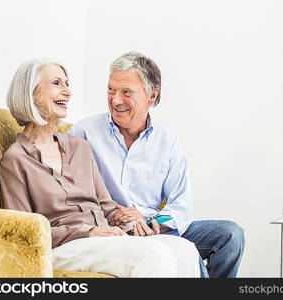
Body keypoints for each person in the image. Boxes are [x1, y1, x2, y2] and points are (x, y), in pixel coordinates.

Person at [0, 58, 200, 278]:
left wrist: (133, 221)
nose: (67, 92)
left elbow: (106, 205)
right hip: (63, 245)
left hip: (104, 237)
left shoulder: (79, 146)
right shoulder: (16, 160)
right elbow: (22, 231)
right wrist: (88, 231)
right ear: (31, 94)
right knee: (151, 255)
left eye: (67, 84)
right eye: (57, 83)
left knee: (185, 250)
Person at [69, 52, 245, 278]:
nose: (116, 99)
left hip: (154, 226)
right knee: (187, 253)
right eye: (111, 90)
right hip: (114, 228)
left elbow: (181, 207)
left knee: (230, 234)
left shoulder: (167, 142)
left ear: (152, 95)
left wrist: (150, 221)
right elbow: (72, 193)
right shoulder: (85, 132)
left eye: (127, 92)